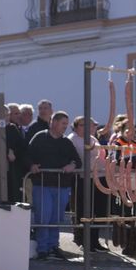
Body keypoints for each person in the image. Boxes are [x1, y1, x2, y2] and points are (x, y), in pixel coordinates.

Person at [27, 111, 82, 260]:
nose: (66, 127)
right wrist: (31, 165)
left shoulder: (66, 142)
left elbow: (77, 160)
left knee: (56, 218)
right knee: (44, 216)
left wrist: (73, 164)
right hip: (43, 184)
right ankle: (43, 248)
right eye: (63, 123)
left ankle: (53, 246)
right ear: (54, 122)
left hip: (61, 186)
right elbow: (27, 155)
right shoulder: (39, 138)